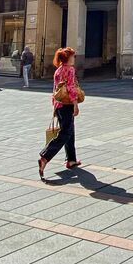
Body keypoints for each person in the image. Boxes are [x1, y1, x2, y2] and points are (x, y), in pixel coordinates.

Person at [39, 47, 81, 178]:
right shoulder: (70, 69)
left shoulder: (58, 70)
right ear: (68, 58)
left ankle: (71, 159)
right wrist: (75, 104)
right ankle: (45, 157)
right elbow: (71, 88)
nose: (74, 58)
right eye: (72, 56)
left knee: (70, 130)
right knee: (65, 132)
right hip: (67, 104)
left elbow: (55, 89)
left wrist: (55, 106)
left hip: (58, 105)